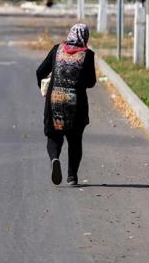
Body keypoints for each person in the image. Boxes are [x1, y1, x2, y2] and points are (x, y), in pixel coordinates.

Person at [36, 23, 96, 186]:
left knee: (54, 136)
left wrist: (44, 88)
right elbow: (91, 82)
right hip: (77, 105)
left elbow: (40, 71)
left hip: (54, 101)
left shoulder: (57, 49)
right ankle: (72, 177)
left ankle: (55, 158)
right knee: (75, 140)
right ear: (85, 37)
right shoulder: (88, 55)